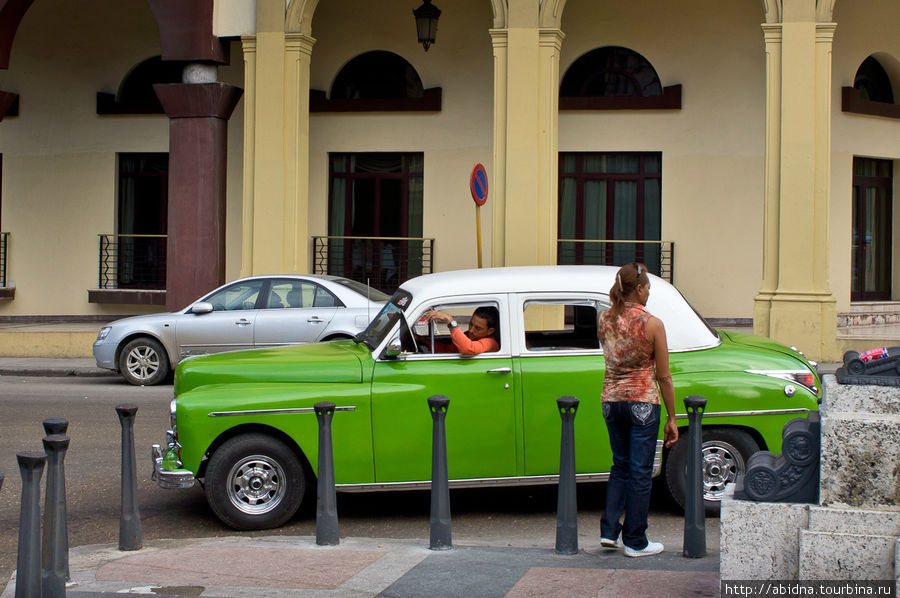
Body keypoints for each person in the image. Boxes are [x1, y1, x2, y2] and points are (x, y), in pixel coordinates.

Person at [597, 262, 679, 557]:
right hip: (643, 401)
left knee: (620, 466)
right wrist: (671, 417)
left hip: (611, 400)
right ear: (640, 288)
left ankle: (609, 532)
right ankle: (636, 540)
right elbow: (664, 376)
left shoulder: (603, 319)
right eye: (648, 289)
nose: (648, 294)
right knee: (640, 471)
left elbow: (613, 356)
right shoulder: (653, 323)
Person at [421, 306, 500, 355]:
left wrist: (450, 321)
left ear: (490, 331)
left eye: (478, 328)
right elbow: (448, 350)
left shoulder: (491, 342)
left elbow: (469, 348)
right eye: (471, 324)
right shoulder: (469, 336)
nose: (471, 330)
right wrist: (422, 340)